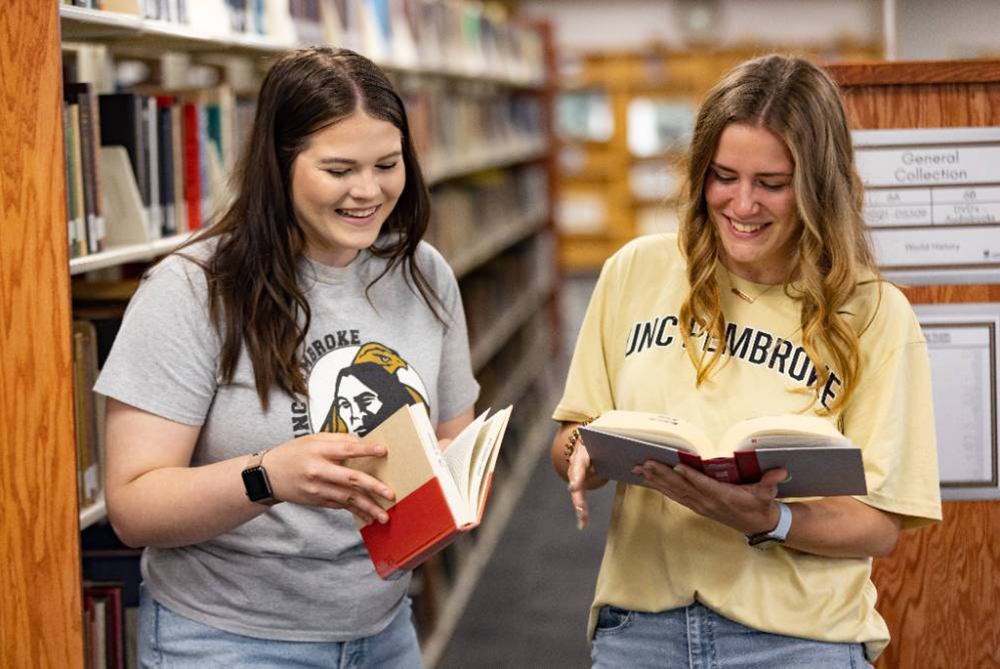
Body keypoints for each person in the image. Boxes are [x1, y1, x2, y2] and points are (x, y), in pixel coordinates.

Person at [551, 54, 942, 668]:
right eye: (723, 175)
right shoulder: (636, 271)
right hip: (642, 631)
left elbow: (882, 525)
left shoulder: (875, 315)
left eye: (772, 184)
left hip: (799, 641)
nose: (741, 203)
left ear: (819, 186)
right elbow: (572, 435)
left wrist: (772, 518)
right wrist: (582, 454)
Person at [95, 46, 479, 667]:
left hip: (384, 628)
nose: (368, 192)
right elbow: (134, 507)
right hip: (228, 641)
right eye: (338, 170)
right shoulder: (192, 289)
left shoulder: (424, 274)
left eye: (388, 164)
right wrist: (268, 477)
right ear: (280, 165)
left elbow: (451, 439)